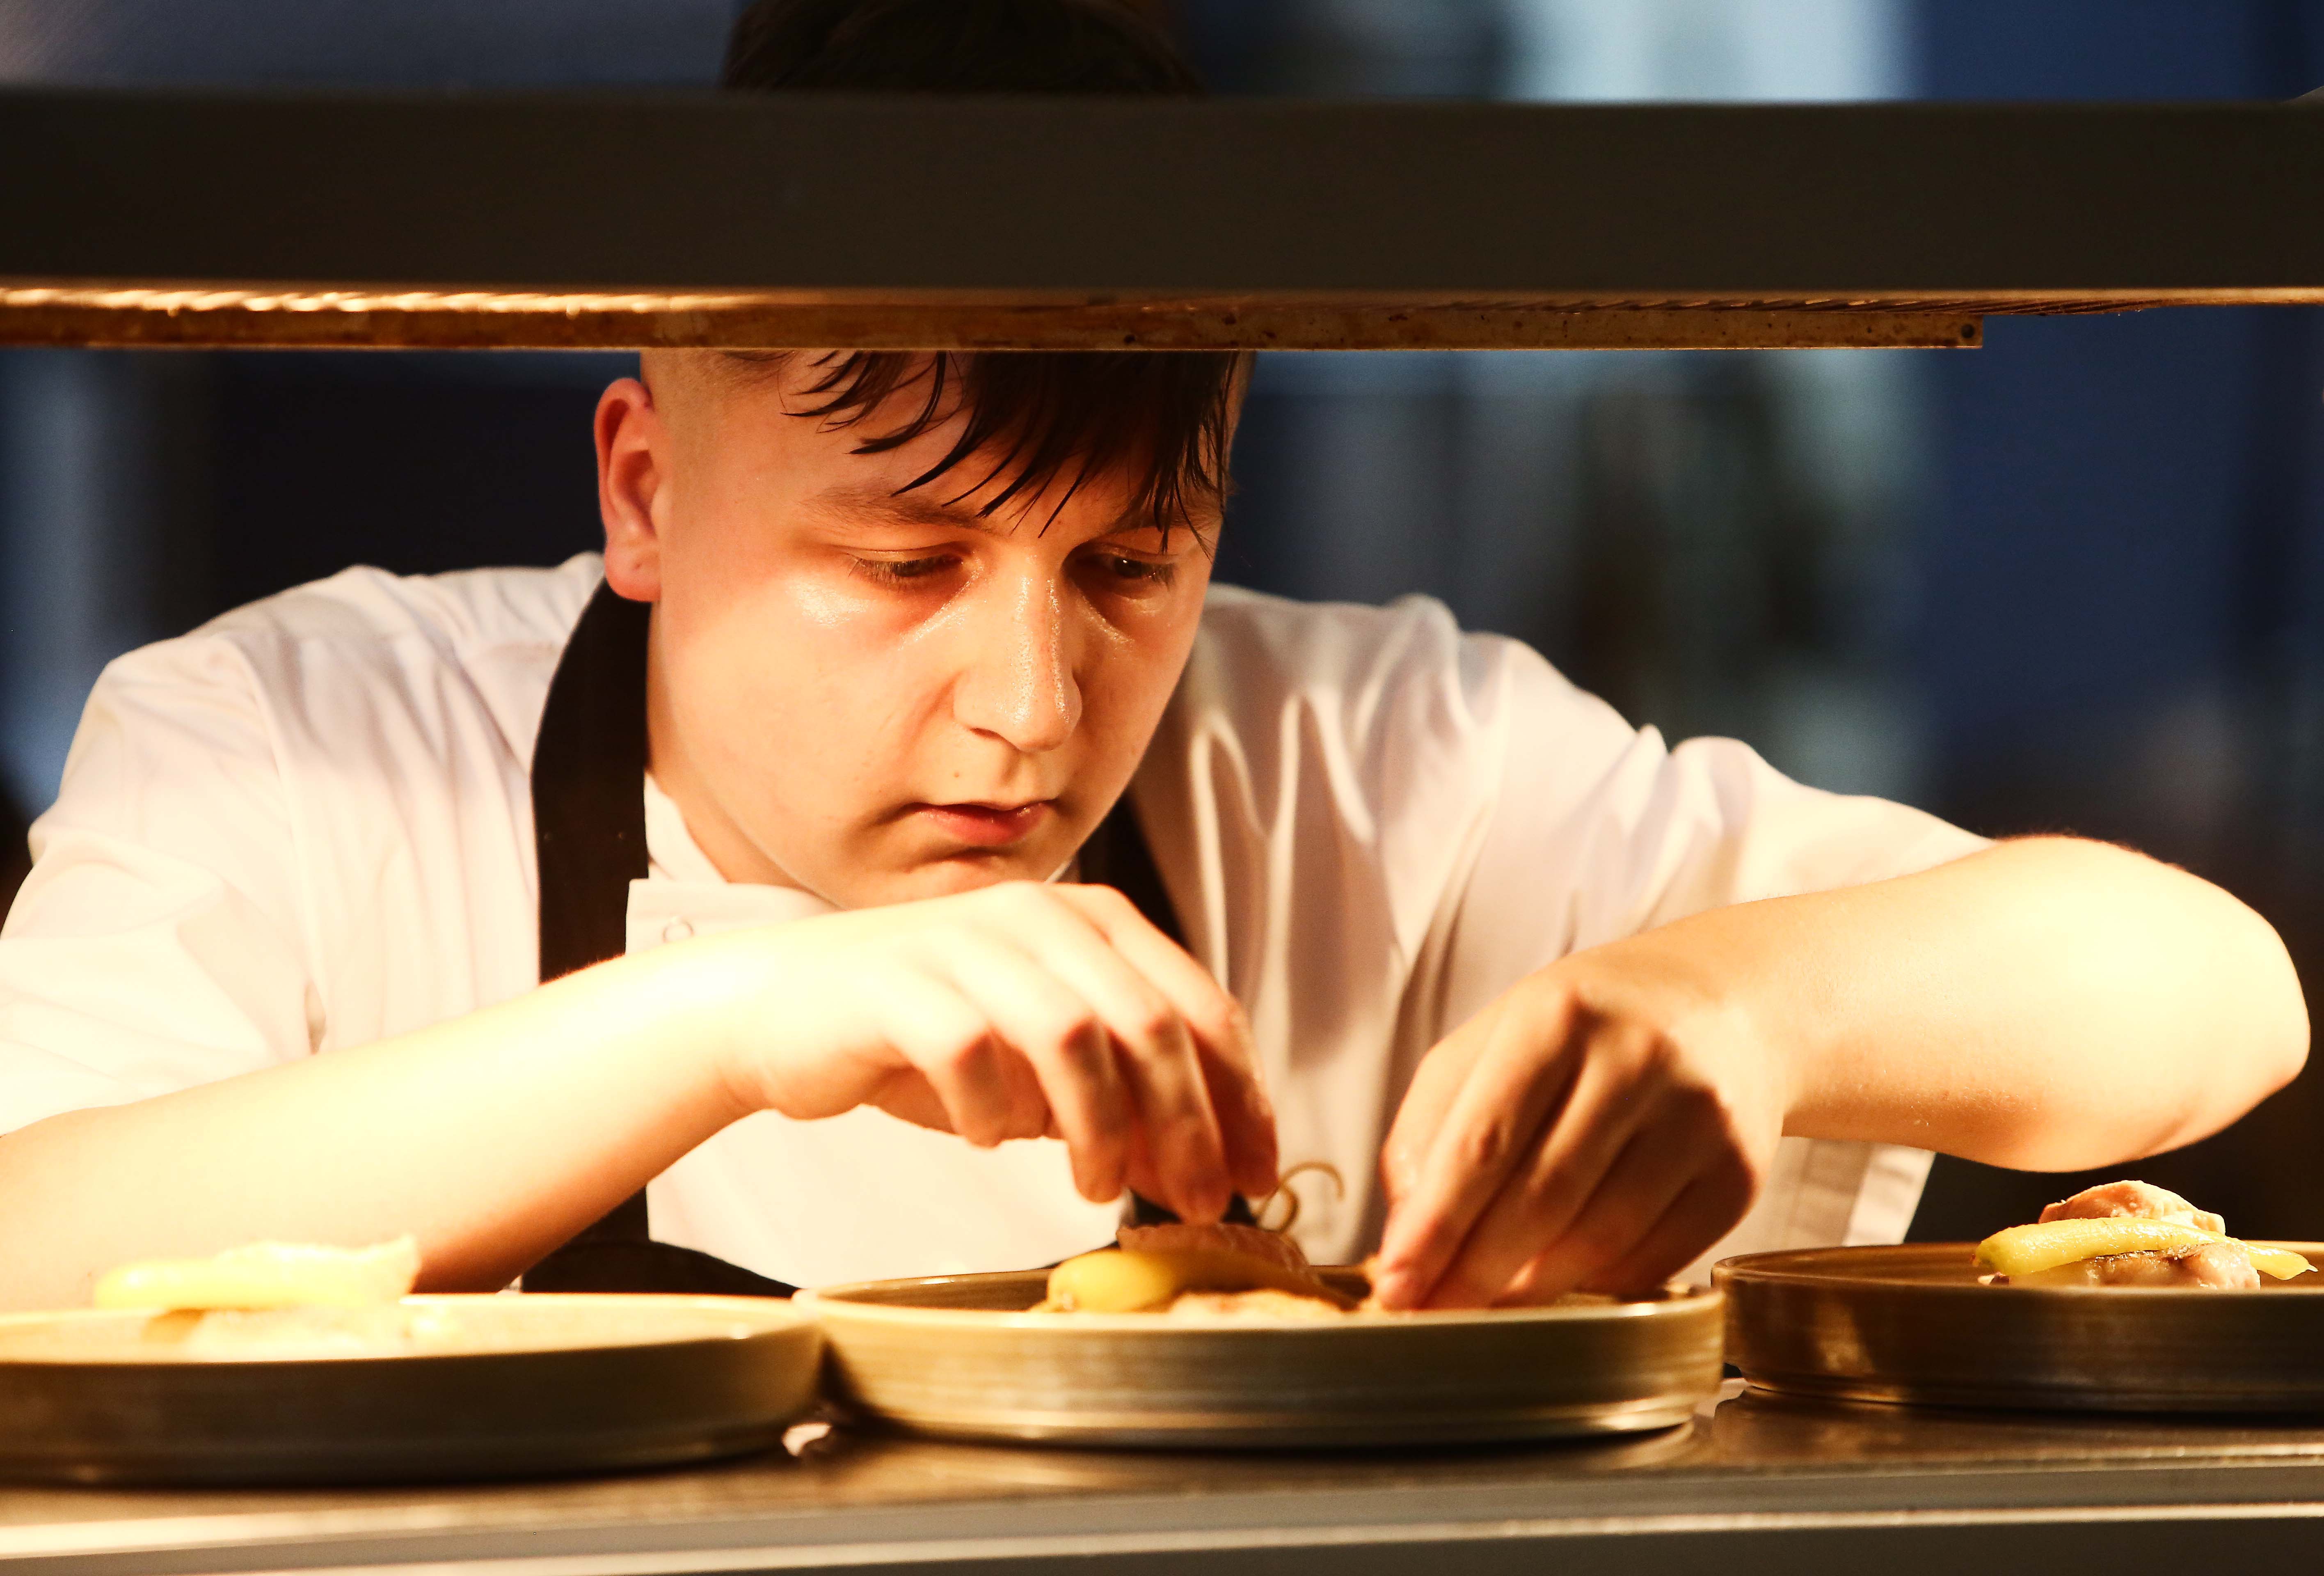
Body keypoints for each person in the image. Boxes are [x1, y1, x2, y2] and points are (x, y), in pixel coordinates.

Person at [0, 0, 2305, 1314]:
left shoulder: (1369, 754)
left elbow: (2210, 991)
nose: (1029, 704)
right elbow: (28, 1242)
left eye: (1129, 566)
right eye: (908, 563)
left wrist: (1753, 1006)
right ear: (642, 488)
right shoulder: (286, 742)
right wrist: (732, 1016)